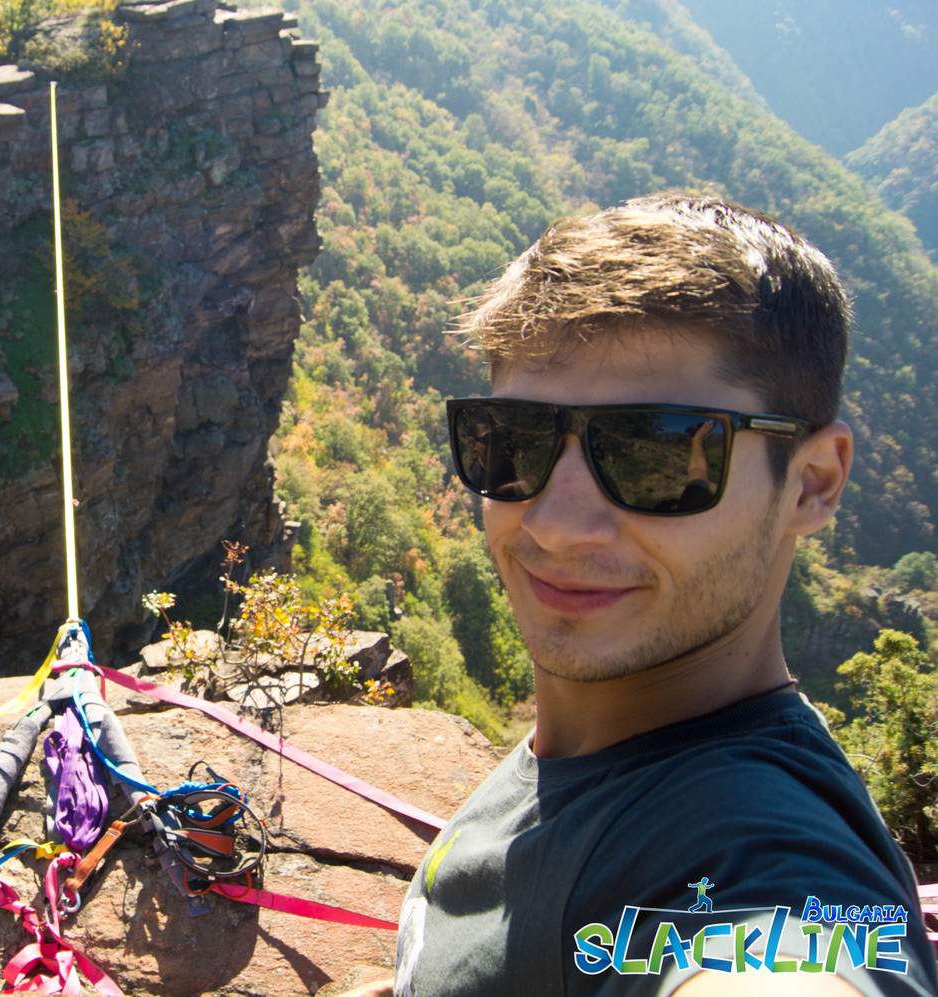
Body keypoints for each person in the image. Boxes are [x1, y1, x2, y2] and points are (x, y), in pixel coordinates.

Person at [364, 194, 938, 996]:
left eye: (658, 452)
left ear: (813, 481)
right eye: (515, 440)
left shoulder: (763, 857)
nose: (558, 524)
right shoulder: (588, 749)